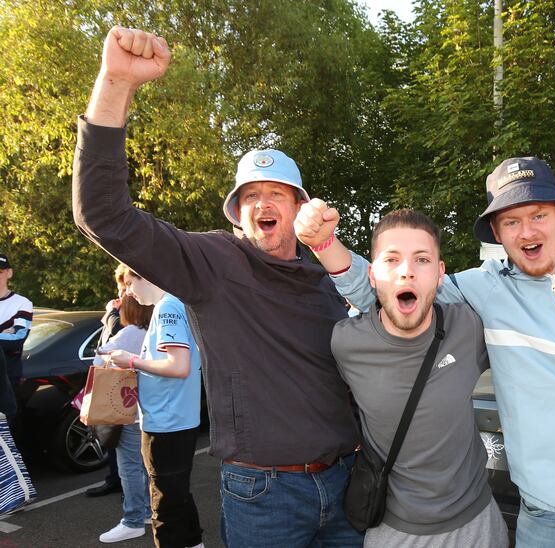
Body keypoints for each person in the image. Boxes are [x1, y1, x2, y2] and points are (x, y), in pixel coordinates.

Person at [294, 156, 555, 548]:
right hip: (551, 511)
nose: (527, 231)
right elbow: (392, 296)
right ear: (497, 234)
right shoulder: (484, 289)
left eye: (538, 215)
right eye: (511, 222)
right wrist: (325, 243)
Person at [72, 27, 362, 547]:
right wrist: (115, 83)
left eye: (277, 193)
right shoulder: (212, 261)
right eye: (249, 196)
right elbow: (103, 215)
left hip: (346, 484)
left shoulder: (331, 270)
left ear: (299, 207)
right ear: (236, 214)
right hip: (263, 494)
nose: (263, 203)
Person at [311, 209, 508, 547]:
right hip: (395, 531)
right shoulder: (346, 342)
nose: (406, 272)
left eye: (422, 259)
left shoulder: (469, 326)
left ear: (440, 273)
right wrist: (322, 242)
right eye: (392, 260)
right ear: (372, 275)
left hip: (479, 524)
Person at [107, 267, 201, 548]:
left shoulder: (166, 306)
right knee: (177, 495)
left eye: (129, 285)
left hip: (166, 421)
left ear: (144, 276)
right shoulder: (175, 302)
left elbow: (178, 366)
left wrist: (131, 361)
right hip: (175, 418)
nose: (128, 294)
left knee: (165, 505)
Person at [97, 292, 153, 543]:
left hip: (128, 409)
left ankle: (132, 520)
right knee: (143, 465)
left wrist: (107, 320)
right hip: (148, 407)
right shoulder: (151, 331)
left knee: (129, 466)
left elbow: (100, 356)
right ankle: (146, 512)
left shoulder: (129, 333)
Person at [87, 266, 128, 498]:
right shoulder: (119, 308)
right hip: (109, 378)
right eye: (120, 288)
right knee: (110, 434)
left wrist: (110, 312)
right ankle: (115, 479)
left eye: (125, 288)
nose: (121, 294)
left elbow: (115, 332)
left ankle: (127, 484)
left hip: (124, 382)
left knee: (124, 438)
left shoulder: (131, 310)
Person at [0, 253, 33, 390]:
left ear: (9, 273)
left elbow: (17, 339)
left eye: (0, 272)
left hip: (6, 378)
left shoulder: (22, 303)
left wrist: (12, 333)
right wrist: (5, 332)